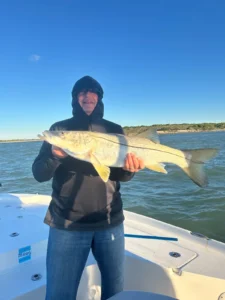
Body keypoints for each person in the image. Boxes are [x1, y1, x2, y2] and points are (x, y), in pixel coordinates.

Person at [32, 76, 144, 300]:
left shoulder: (114, 129)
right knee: (59, 294)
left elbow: (119, 175)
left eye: (93, 91)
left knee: (116, 293)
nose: (87, 95)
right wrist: (55, 156)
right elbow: (39, 174)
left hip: (110, 222)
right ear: (75, 98)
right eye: (81, 92)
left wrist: (131, 169)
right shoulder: (59, 130)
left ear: (99, 97)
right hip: (66, 224)